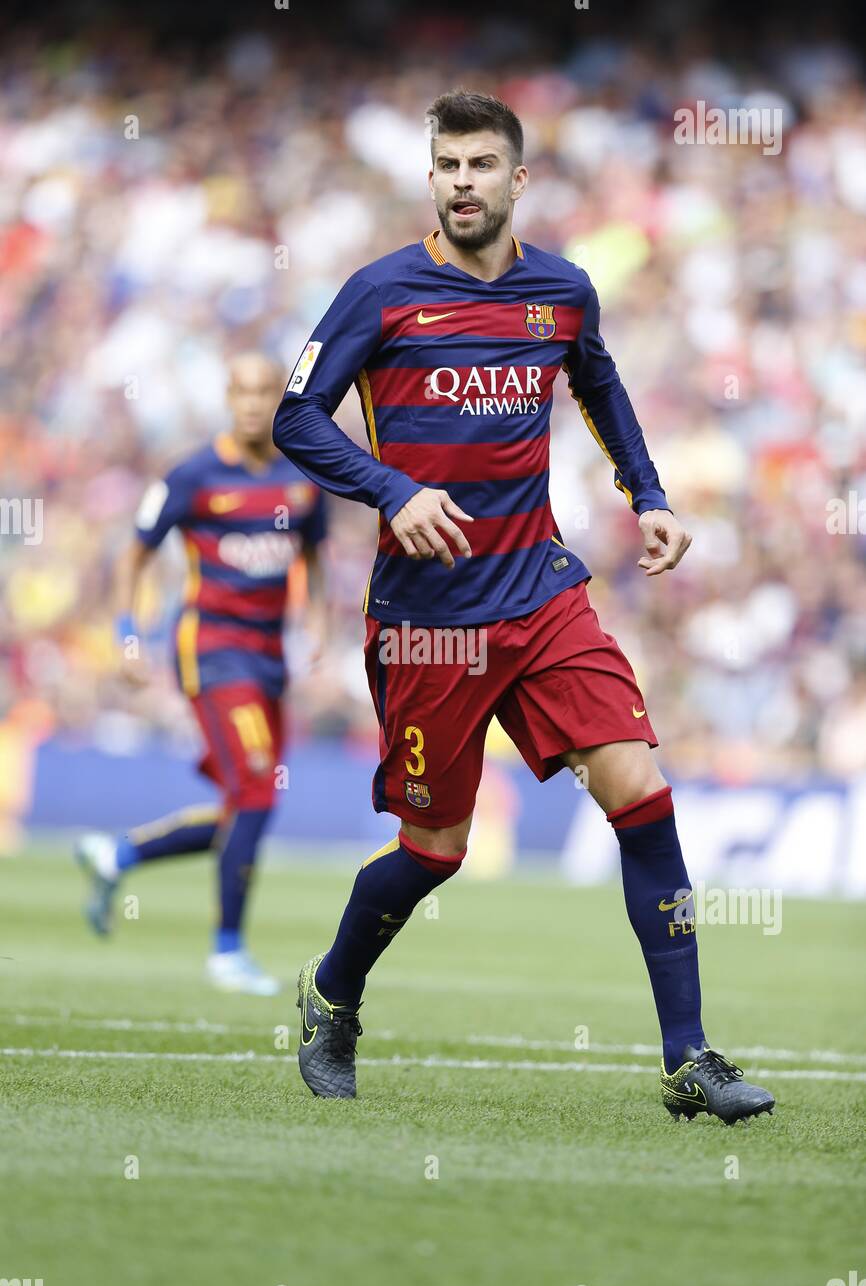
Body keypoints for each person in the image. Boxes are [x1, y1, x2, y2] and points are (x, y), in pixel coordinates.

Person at [272, 90, 774, 1122]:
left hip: (541, 591)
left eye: (479, 165)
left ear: (516, 179)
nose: (461, 182)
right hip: (427, 618)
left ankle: (687, 1056)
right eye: (446, 165)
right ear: (432, 179)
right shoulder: (380, 293)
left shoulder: (562, 292)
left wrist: (650, 495)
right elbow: (294, 417)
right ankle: (333, 992)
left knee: (640, 791)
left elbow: (600, 386)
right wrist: (392, 490)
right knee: (433, 850)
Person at [76, 353, 328, 996]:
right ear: (227, 397)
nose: (250, 403)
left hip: (270, 662)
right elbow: (133, 555)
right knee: (258, 792)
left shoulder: (302, 478)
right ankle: (227, 950)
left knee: (245, 808)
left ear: (278, 398)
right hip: (213, 654)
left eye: (263, 392)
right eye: (240, 391)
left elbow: (316, 558)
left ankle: (118, 855)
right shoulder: (193, 475)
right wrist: (127, 636)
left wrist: (318, 625)